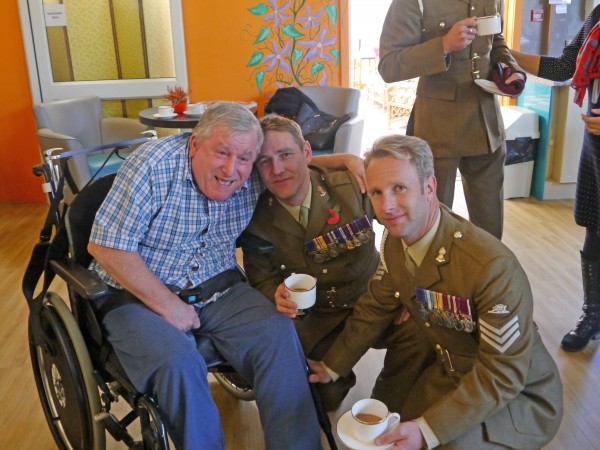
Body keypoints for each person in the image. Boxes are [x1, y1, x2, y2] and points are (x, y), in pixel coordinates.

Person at [87, 102, 362, 449]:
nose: (231, 170)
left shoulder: (250, 172)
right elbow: (107, 247)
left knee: (278, 334)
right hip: (137, 293)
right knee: (179, 363)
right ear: (195, 144)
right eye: (221, 152)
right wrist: (168, 305)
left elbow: (288, 167)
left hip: (218, 287)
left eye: (245, 158)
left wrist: (347, 160)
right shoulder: (154, 164)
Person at [308, 135, 563, 449]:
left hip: (518, 395)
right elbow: (375, 307)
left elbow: (502, 374)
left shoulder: (490, 266)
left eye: (399, 188)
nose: (386, 206)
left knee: (444, 442)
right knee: (390, 428)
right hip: (452, 371)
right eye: (376, 192)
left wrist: (428, 430)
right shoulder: (396, 242)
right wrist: (333, 365)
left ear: (429, 187)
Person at [241, 115, 380, 411]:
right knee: (320, 399)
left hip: (375, 300)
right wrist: (274, 294)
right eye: (264, 161)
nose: (276, 169)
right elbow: (261, 278)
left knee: (423, 336)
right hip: (320, 317)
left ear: (306, 152)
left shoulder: (350, 186)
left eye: (285, 155)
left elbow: (407, 220)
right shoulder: (255, 218)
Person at [378, 0, 526, 239]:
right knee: (432, 224)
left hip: (486, 123)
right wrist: (444, 45)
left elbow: (495, 40)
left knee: (490, 226)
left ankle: (487, 275)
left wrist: (511, 68)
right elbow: (389, 65)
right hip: (437, 129)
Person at [510, 5, 600, 352]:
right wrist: (503, 52)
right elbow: (565, 67)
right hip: (596, 145)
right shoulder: (597, 15)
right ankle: (593, 316)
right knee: (595, 227)